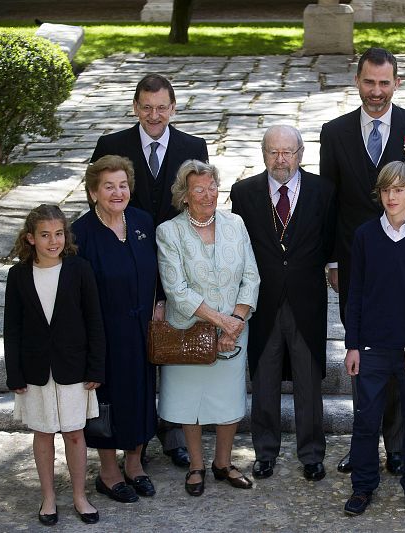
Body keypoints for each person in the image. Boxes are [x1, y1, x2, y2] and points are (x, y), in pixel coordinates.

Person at [320, 46, 405, 475]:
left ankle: (402, 447)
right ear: (357, 81)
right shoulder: (333, 133)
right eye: (369, 82)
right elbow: (330, 204)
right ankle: (363, 445)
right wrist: (333, 260)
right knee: (364, 360)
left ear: (397, 84)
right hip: (357, 264)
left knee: (404, 353)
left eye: (384, 83)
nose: (376, 91)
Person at [92, 73, 209, 469]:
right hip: (128, 268)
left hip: (179, 268)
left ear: (173, 108)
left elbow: (198, 204)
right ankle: (127, 439)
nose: (154, 115)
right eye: (147, 107)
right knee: (132, 359)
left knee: (173, 356)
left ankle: (173, 433)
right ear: (136, 107)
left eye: (162, 107)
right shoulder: (111, 145)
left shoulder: (194, 146)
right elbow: (101, 199)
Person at [230, 125, 336, 482]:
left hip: (307, 302)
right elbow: (238, 248)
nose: (281, 159)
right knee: (264, 378)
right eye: (274, 151)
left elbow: (330, 243)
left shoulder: (323, 191)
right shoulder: (243, 193)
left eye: (288, 152)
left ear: (300, 154)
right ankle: (265, 453)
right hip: (263, 301)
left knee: (308, 380)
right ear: (264, 154)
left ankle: (311, 454)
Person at [342, 161, 405, 517]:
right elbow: (354, 293)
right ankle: (363, 486)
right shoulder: (366, 236)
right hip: (371, 346)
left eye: (399, 189)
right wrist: (352, 344)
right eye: (386, 190)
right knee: (366, 420)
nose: (391, 196)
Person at [156, 160, 260, 497]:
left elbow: (252, 276)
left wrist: (237, 322)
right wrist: (221, 322)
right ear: (184, 196)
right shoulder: (169, 231)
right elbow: (177, 290)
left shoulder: (237, 223)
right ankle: (197, 465)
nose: (207, 195)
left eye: (212, 187)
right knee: (191, 402)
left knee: (229, 401)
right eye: (198, 189)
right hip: (190, 332)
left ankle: (223, 463)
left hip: (234, 330)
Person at [4, 204, 105, 525]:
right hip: (35, 371)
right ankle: (48, 498)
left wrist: (95, 367)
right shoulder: (18, 276)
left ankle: (79, 495)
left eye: (59, 234)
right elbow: (12, 328)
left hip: (74, 368)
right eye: (45, 235)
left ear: (66, 236)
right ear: (30, 238)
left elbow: (94, 322)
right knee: (44, 433)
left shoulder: (80, 270)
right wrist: (14, 373)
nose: (53, 241)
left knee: (75, 433)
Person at [73, 155, 159, 503]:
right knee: (107, 402)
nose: (117, 192)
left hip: (142, 331)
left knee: (140, 397)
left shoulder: (142, 222)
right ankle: (108, 473)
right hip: (104, 336)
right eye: (108, 186)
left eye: (123, 185)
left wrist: (162, 303)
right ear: (93, 192)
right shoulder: (80, 233)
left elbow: (159, 270)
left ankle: (135, 465)